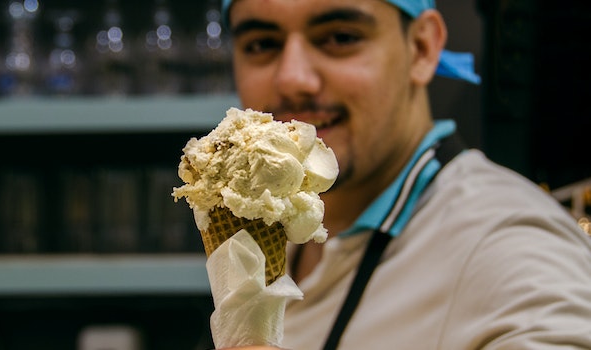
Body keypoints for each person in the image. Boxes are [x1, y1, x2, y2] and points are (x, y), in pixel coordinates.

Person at [209, 0, 591, 349]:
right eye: (261, 44)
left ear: (422, 48)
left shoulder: (508, 242)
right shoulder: (273, 226)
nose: (292, 79)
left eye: (340, 37)